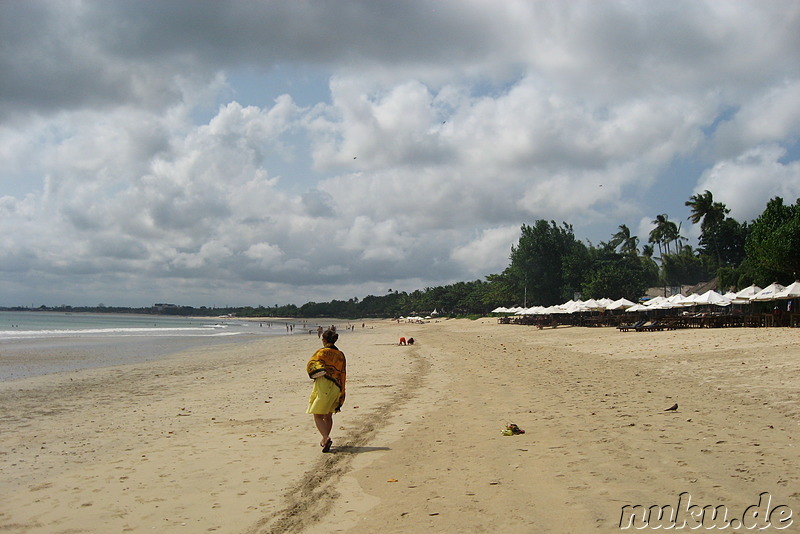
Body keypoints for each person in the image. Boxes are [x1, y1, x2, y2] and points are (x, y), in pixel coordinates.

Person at [306, 329, 346, 452]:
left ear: (323, 340)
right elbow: (343, 373)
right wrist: (342, 392)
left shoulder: (321, 352)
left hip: (324, 385)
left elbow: (311, 365)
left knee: (317, 415)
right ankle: (325, 440)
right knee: (328, 415)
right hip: (336, 386)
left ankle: (325, 437)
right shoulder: (340, 354)